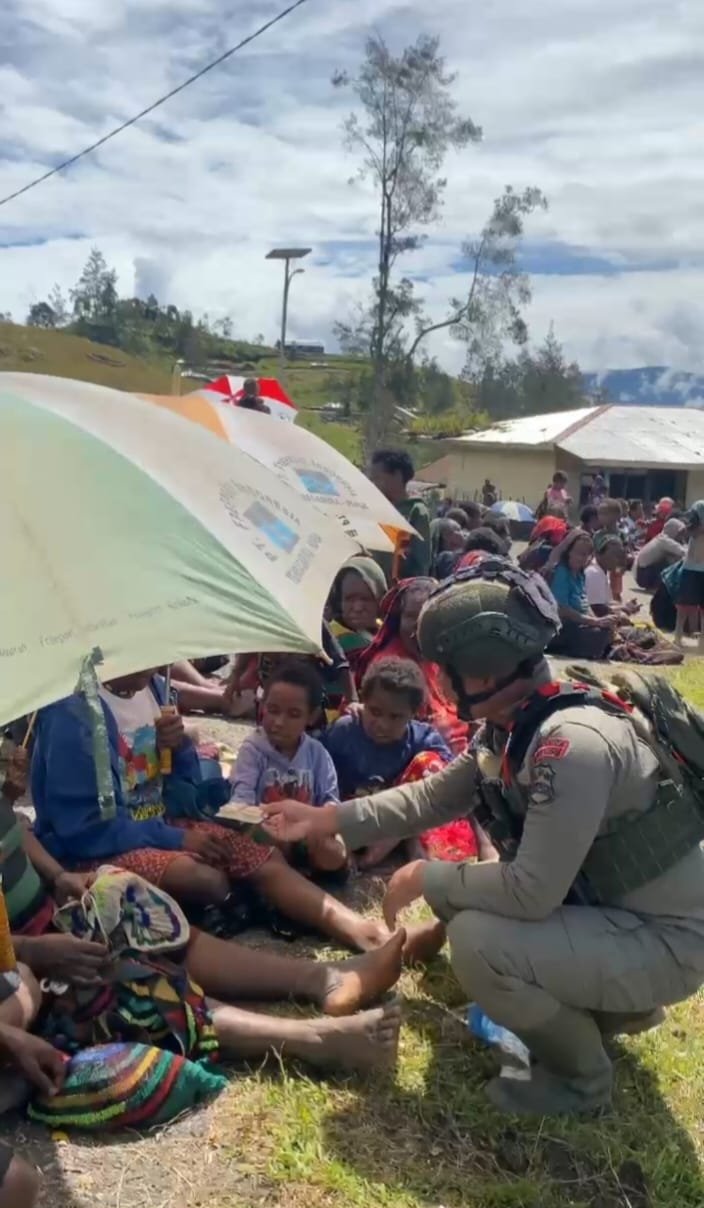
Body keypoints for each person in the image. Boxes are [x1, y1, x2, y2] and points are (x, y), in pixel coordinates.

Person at [263, 559, 704, 1116]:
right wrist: (322, 820)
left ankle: (583, 1080)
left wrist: (427, 873)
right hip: (620, 916)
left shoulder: (568, 743)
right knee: (460, 901)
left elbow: (531, 892)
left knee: (478, 942)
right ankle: (604, 1007)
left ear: (487, 669)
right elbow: (430, 799)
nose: (440, 681)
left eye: (448, 668)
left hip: (666, 942)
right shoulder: (522, 720)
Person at [3, 743, 405, 1074]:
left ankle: (323, 978)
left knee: (158, 930)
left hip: (50, 917)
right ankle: (313, 1041)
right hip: (21, 954)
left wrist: (57, 876)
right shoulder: (73, 723)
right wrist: (32, 951)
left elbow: (18, 829)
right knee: (133, 987)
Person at [30, 669, 391, 953]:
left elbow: (182, 792)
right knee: (204, 879)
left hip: (161, 824)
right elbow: (87, 828)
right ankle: (235, 904)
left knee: (260, 855)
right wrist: (177, 838)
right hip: (98, 850)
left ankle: (356, 928)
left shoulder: (154, 688)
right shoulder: (74, 714)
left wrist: (180, 748)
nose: (157, 663)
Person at [325, 658, 471, 868]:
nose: (383, 724)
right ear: (363, 701)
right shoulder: (343, 732)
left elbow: (451, 777)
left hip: (399, 820)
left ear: (414, 713)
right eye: (375, 712)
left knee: (430, 765)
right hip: (352, 818)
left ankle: (395, 849)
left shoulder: (422, 737)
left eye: (395, 717)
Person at [229, 662, 346, 874]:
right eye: (273, 710)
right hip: (266, 832)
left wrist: (315, 826)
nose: (279, 722)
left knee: (334, 853)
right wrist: (265, 821)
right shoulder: (253, 750)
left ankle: (308, 870)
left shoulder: (317, 753)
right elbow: (241, 802)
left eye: (293, 714)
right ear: (262, 705)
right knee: (265, 841)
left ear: (311, 716)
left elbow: (330, 800)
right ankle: (285, 875)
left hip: (305, 833)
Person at [355, 578, 469, 755]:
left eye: (425, 616)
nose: (417, 626)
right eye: (410, 616)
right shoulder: (388, 668)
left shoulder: (442, 657)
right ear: (399, 619)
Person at [544, 530, 615, 659]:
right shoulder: (561, 572)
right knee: (598, 635)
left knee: (607, 629)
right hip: (560, 626)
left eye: (587, 555)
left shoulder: (580, 574)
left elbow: (585, 605)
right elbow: (562, 609)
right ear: (569, 552)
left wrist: (600, 621)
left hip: (578, 623)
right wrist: (593, 621)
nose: (583, 558)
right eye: (579, 553)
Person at [369, 450, 431, 581]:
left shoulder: (416, 511)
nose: (373, 485)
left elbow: (421, 563)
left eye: (378, 478)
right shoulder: (375, 509)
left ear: (397, 475)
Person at [327, 556, 387, 671]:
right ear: (338, 601)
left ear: (381, 600)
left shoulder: (384, 633)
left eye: (366, 599)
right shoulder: (332, 643)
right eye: (349, 599)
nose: (357, 608)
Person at [675, 501, 704, 651]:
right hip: (691, 566)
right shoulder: (699, 506)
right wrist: (694, 526)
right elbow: (684, 532)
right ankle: (678, 636)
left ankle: (702, 643)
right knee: (684, 606)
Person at [635, 518, 686, 591]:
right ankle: (658, 587)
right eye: (680, 533)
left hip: (642, 574)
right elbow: (684, 552)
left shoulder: (661, 537)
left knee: (672, 558)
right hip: (645, 575)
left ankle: (655, 586)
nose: (682, 536)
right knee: (673, 563)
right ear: (673, 530)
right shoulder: (665, 540)